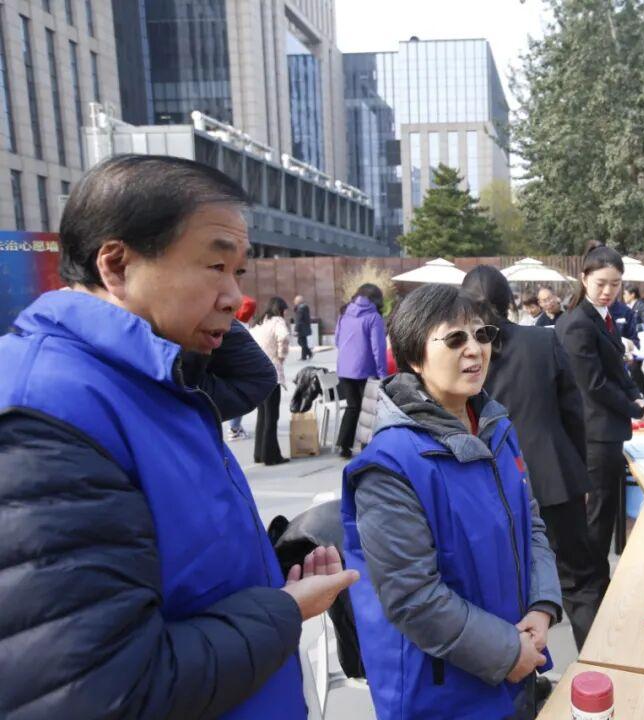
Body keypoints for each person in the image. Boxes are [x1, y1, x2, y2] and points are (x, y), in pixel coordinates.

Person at [0, 154, 357, 718]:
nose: (234, 297)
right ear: (116, 265)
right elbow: (101, 688)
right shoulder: (48, 406)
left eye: (239, 272)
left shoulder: (152, 378)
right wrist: (285, 610)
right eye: (215, 266)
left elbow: (249, 381)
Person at [341, 283, 562, 720]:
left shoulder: (496, 429)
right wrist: (505, 651)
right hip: (444, 694)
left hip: (516, 664)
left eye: (482, 335)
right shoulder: (389, 465)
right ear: (414, 357)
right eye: (455, 338)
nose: (475, 349)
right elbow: (413, 597)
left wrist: (542, 606)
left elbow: (531, 523)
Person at [463, 265, 603, 651]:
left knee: (501, 586)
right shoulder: (542, 340)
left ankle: (520, 668)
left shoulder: (461, 354)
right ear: (509, 301)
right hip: (554, 475)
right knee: (580, 582)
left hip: (490, 486)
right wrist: (579, 472)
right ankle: (599, 668)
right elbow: (574, 412)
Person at [556, 243, 644, 592]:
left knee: (605, 509)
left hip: (606, 430)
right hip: (594, 433)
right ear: (584, 278)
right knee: (598, 514)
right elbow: (595, 385)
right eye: (601, 283)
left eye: (615, 284)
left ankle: (595, 577)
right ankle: (590, 584)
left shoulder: (603, 317)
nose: (608, 291)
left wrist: (636, 396)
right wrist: (635, 408)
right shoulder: (579, 323)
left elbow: (617, 372)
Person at [335, 283, 388, 458]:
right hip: (365, 370)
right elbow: (378, 348)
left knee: (352, 406)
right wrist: (383, 374)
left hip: (344, 369)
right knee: (369, 409)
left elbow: (337, 340)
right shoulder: (374, 317)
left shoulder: (344, 313)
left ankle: (344, 445)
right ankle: (367, 446)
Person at [251, 296, 290, 466]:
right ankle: (271, 455)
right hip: (272, 372)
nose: (286, 313)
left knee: (262, 414)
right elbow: (284, 336)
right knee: (272, 416)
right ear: (280, 309)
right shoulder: (277, 322)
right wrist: (281, 355)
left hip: (256, 372)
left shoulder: (259, 323)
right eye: (285, 310)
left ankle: (259, 453)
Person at [226, 295, 260, 440]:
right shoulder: (242, 328)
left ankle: (235, 427)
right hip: (238, 369)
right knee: (238, 398)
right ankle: (234, 429)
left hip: (231, 367)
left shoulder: (231, 324)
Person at [622, 285, 644, 398]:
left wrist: (633, 328)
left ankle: (643, 392)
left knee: (633, 367)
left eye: (625, 294)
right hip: (627, 342)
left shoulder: (642, 306)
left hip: (638, 342)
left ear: (632, 295)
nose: (623, 296)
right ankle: (641, 392)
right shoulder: (626, 307)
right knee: (632, 367)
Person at [293, 294, 313, 360]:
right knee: (303, 342)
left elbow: (299, 320)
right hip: (304, 327)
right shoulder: (302, 307)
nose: (294, 302)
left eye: (295, 300)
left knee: (301, 342)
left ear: (298, 301)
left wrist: (296, 330)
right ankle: (307, 354)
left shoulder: (301, 309)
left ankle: (306, 354)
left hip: (301, 328)